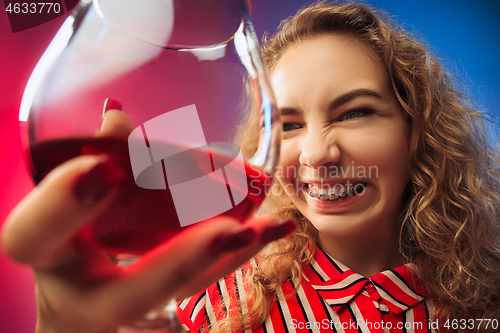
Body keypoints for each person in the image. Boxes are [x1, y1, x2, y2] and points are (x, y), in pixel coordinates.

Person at [176, 2, 500, 333]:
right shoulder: (209, 308)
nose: (316, 155)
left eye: (354, 113)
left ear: (418, 127)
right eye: (287, 125)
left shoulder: (489, 300)